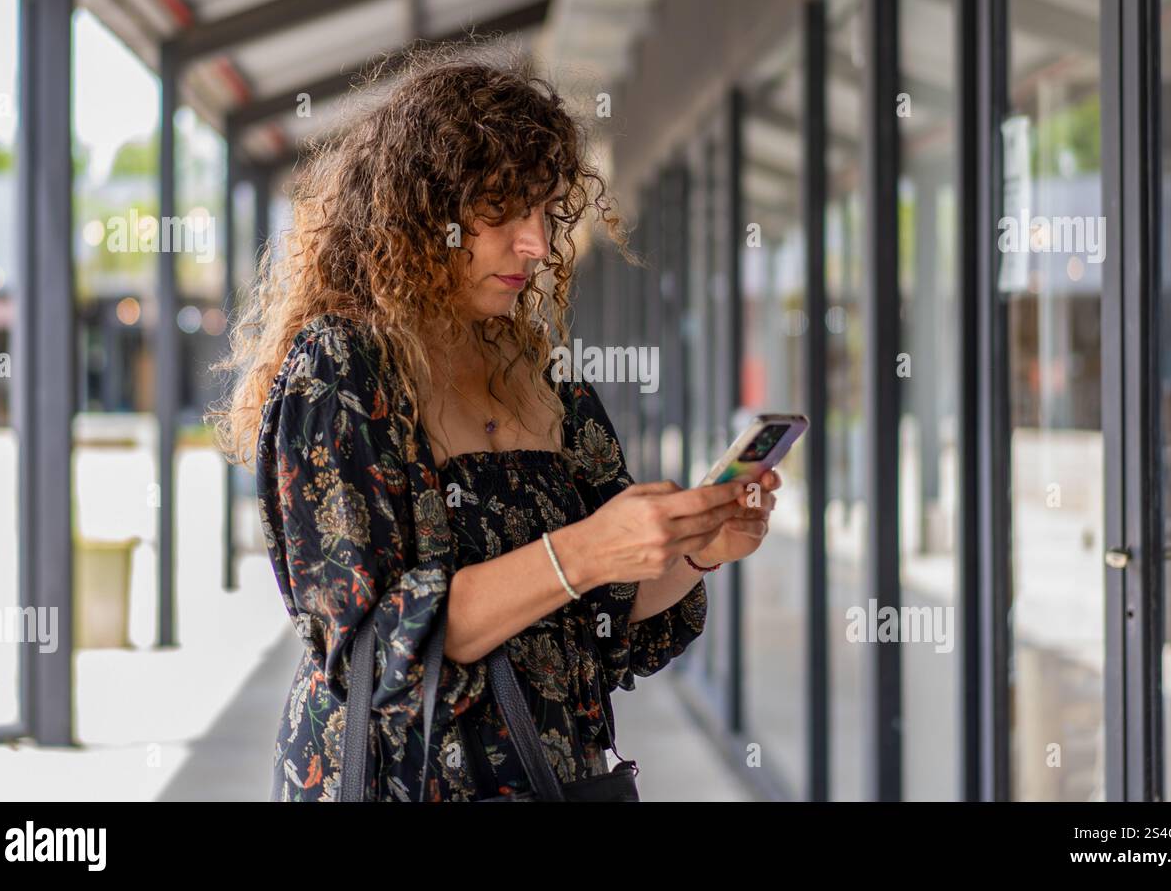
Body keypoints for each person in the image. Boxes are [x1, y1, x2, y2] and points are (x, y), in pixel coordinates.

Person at [208, 44, 782, 801]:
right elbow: (369, 651)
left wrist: (693, 551)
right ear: (422, 212)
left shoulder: (542, 373)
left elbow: (604, 623)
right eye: (502, 212)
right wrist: (580, 551)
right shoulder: (340, 370)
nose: (537, 244)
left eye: (544, 213)